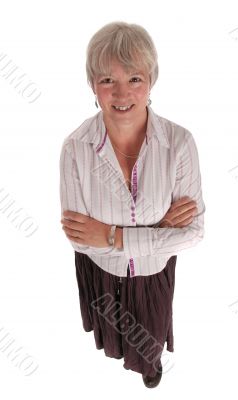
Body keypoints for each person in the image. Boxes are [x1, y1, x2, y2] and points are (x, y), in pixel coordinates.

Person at [59, 21, 206, 389]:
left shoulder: (180, 143)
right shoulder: (75, 148)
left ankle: (151, 367)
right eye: (108, 80)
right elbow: (79, 239)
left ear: (151, 82)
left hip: (153, 272)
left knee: (149, 339)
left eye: (135, 79)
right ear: (93, 85)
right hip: (101, 270)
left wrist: (109, 233)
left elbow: (194, 233)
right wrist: (159, 230)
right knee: (115, 336)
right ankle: (124, 357)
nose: (122, 92)